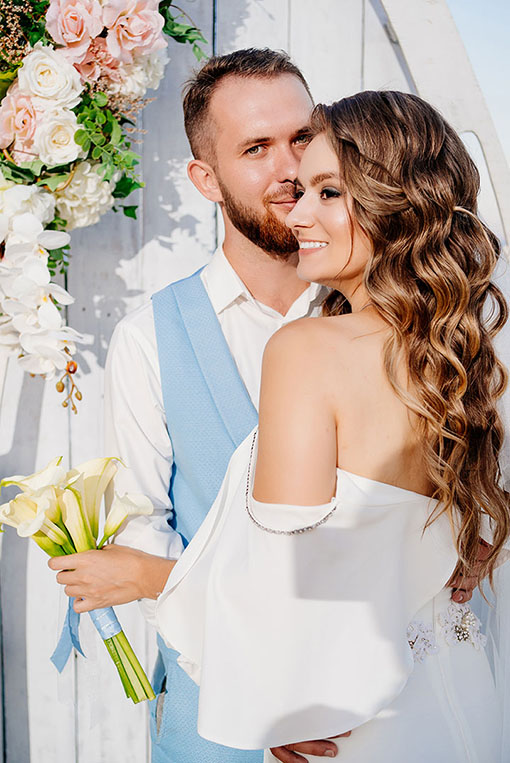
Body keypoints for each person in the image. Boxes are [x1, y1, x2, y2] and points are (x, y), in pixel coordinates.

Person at [48, 53, 483, 762]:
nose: (289, 170)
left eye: (302, 139)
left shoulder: (426, 333)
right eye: (257, 149)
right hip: (223, 713)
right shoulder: (148, 339)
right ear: (205, 179)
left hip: (355, 708)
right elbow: (143, 526)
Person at [152, 91, 510, 762]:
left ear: (394, 204)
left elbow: (285, 567)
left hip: (353, 725)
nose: (300, 214)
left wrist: (274, 699)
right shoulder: (466, 360)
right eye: (299, 191)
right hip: (465, 693)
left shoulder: (306, 349)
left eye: (328, 193)